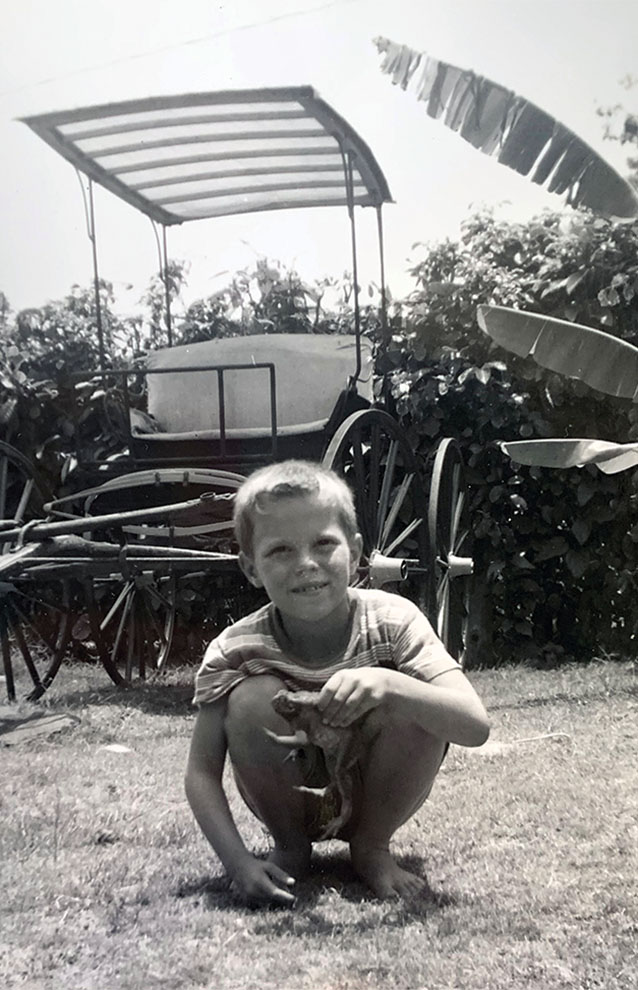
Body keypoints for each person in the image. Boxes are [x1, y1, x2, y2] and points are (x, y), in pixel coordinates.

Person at [185, 459, 489, 906]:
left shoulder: (393, 620)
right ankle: (290, 849)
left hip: (377, 796)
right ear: (251, 569)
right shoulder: (236, 648)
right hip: (287, 802)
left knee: (412, 696)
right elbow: (200, 773)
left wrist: (391, 685)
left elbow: (474, 726)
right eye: (280, 550)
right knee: (249, 699)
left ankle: (372, 848)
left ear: (357, 551)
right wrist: (237, 863)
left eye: (324, 543)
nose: (306, 564)